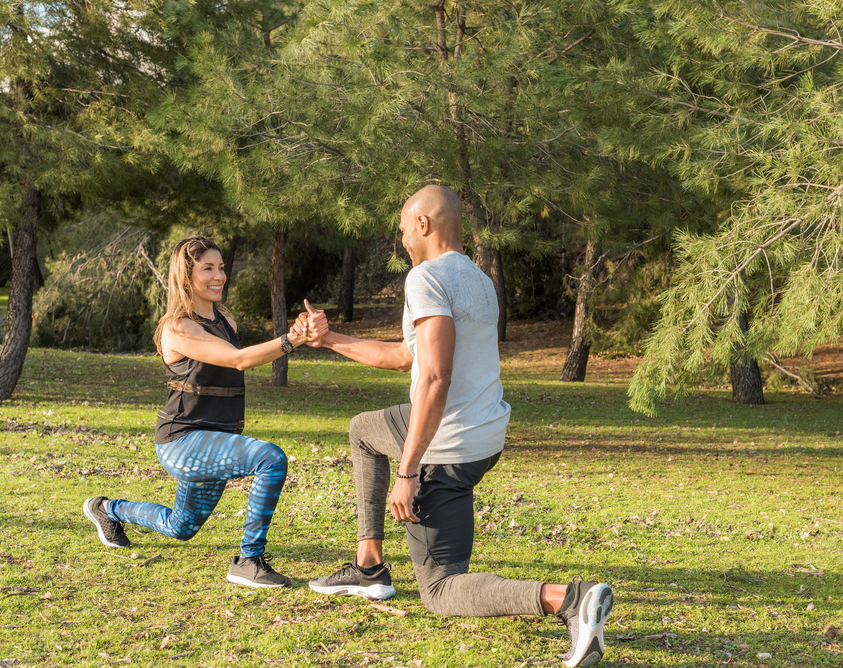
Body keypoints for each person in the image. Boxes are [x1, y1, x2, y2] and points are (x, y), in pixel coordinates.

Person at [303, 186, 613, 667]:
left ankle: (570, 599)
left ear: (423, 224)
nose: (402, 238)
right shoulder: (477, 280)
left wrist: (407, 472)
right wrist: (331, 339)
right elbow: (408, 356)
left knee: (442, 591)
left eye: (404, 228)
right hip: (483, 432)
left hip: (446, 447)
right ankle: (368, 567)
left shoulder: (425, 277)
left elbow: (434, 377)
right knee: (365, 429)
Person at [82, 235, 326, 589]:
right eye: (207, 268)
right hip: (181, 442)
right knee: (270, 459)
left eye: (221, 267)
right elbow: (240, 360)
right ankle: (248, 561)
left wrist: (300, 332)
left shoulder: (225, 320)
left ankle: (106, 509)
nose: (219, 276)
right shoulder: (177, 327)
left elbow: (246, 354)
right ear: (186, 276)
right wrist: (292, 339)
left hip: (216, 440)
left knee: (181, 527)